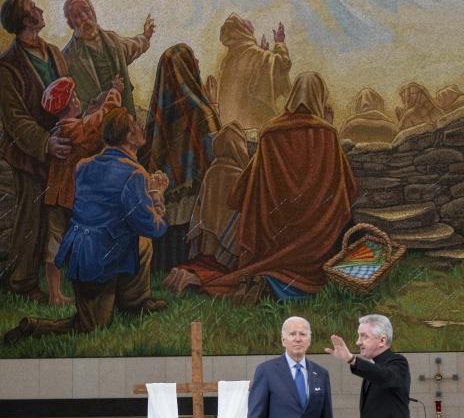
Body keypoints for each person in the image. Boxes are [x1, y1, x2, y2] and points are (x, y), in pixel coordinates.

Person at [163, 71, 357, 301]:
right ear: (320, 97)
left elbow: (247, 184)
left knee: (265, 261)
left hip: (274, 234)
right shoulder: (328, 133)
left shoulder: (270, 131)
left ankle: (266, 281)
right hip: (316, 240)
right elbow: (346, 185)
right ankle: (272, 283)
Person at [4, 108, 169, 344]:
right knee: (91, 326)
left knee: (141, 243)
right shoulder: (135, 174)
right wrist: (155, 194)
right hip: (101, 261)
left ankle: (135, 302)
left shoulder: (83, 165)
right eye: (135, 124)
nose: (141, 128)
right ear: (128, 136)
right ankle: (34, 327)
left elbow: (102, 210)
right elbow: (154, 227)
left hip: (83, 254)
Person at [0, 0, 70, 303]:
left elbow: (67, 91)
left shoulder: (53, 52)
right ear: (25, 19)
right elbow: (15, 119)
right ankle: (22, 282)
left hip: (59, 147)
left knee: (55, 215)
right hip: (28, 154)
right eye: (32, 7)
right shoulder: (7, 66)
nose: (40, 9)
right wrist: (45, 142)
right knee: (30, 216)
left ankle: (55, 283)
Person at [42, 75, 122, 305]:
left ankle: (60, 293)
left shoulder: (66, 128)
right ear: (70, 104)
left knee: (60, 241)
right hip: (66, 197)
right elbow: (96, 121)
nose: (78, 99)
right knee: (57, 243)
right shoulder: (70, 128)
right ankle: (56, 294)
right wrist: (114, 93)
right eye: (74, 96)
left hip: (62, 196)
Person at [139, 43, 221, 269]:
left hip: (163, 205)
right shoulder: (202, 110)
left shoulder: (158, 110)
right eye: (193, 60)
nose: (198, 64)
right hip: (192, 208)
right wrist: (214, 105)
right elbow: (217, 148)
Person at [62, 0, 155, 114]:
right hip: (95, 121)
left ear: (93, 12)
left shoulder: (112, 39)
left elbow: (132, 47)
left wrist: (146, 36)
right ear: (71, 23)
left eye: (86, 10)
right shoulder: (67, 57)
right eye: (77, 15)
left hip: (124, 112)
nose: (84, 17)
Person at [186, 121, 250, 269]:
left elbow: (201, 209)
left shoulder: (211, 172)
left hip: (207, 242)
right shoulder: (240, 177)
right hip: (229, 246)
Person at [216, 14, 292, 129]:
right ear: (243, 31)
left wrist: (263, 54)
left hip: (232, 127)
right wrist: (280, 43)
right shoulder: (257, 54)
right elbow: (282, 65)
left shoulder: (227, 61)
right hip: (255, 126)